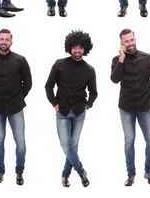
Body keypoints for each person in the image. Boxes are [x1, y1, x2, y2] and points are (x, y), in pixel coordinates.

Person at [110, 29, 150, 186]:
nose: (130, 43)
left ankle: (148, 172)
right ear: (121, 44)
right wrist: (122, 59)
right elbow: (114, 79)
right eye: (126, 41)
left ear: (135, 39)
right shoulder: (117, 60)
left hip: (145, 107)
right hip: (126, 108)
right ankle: (131, 174)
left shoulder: (147, 58)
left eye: (132, 40)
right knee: (129, 141)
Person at [45, 30, 98, 188]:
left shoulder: (89, 70)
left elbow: (94, 92)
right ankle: (81, 172)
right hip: (62, 112)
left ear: (85, 49)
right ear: (69, 47)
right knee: (66, 145)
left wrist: (87, 105)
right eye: (74, 47)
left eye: (80, 47)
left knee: (72, 146)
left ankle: (65, 175)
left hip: (79, 113)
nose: (77, 50)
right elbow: (48, 86)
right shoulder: (59, 64)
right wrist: (54, 103)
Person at [0, 29, 32, 185]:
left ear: (11, 41)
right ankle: (0, 172)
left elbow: (28, 83)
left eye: (7, 39)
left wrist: (18, 97)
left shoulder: (21, 60)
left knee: (21, 143)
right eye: (1, 39)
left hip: (16, 107)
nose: (4, 42)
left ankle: (19, 172)